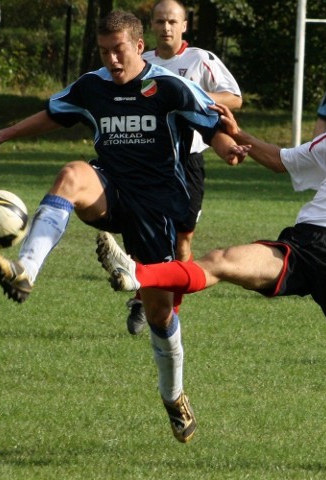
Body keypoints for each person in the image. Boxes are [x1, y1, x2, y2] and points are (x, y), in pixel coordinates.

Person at [96, 53, 326, 474]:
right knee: (222, 260)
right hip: (304, 243)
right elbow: (284, 160)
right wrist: (238, 133)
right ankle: (135, 273)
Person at [0, 11, 249, 444]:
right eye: (104, 51)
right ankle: (25, 270)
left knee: (160, 317)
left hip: (156, 208)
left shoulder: (170, 86)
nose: (111, 59)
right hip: (109, 189)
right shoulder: (93, 85)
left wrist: (228, 146)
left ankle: (174, 394)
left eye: (118, 50)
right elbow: (54, 111)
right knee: (71, 173)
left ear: (138, 47)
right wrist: (7, 133)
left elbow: (211, 123)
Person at [113, 0, 243, 336]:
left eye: (172, 21)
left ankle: (171, 307)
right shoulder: (142, 62)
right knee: (141, 232)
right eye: (159, 21)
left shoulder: (200, 60)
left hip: (188, 160)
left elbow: (234, 97)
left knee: (183, 238)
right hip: (147, 159)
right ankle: (143, 298)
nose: (166, 27)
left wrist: (187, 93)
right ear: (151, 26)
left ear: (184, 25)